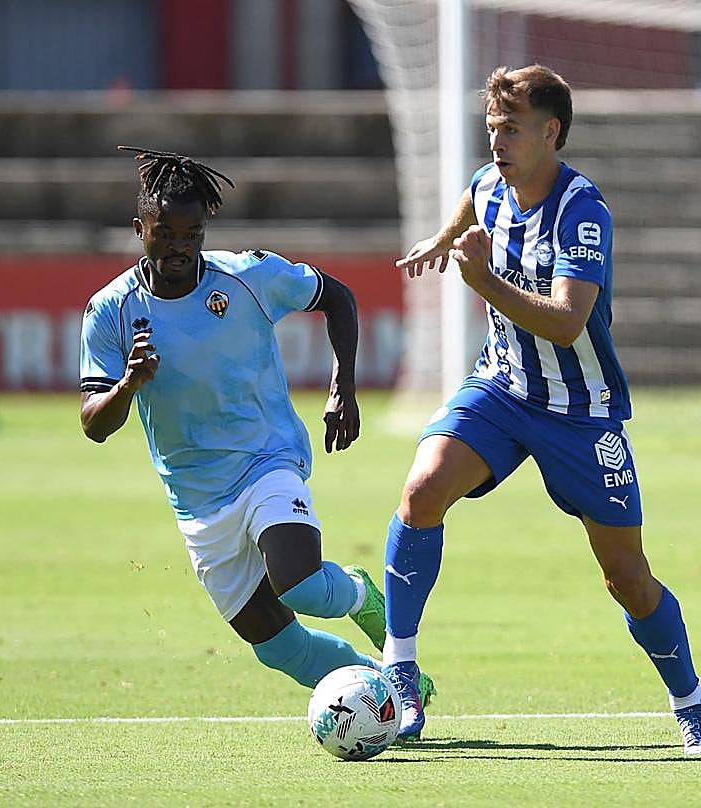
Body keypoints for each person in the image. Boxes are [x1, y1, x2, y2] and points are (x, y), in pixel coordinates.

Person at [383, 66, 701, 753]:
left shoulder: (582, 211)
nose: (496, 143)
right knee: (422, 490)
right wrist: (445, 238)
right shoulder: (490, 186)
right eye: (491, 130)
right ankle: (399, 674)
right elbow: (469, 202)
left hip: (581, 411)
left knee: (626, 578)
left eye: (510, 130)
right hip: (502, 388)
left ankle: (692, 703)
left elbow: (569, 323)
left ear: (552, 132)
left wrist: (481, 279)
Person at [79, 146, 434, 704]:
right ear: (139, 227)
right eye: (164, 233)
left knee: (303, 586)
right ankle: (382, 690)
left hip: (267, 461)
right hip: (197, 500)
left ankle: (364, 600)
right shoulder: (110, 311)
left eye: (191, 234)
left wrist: (344, 385)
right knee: (277, 647)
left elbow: (336, 297)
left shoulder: (247, 276)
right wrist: (128, 386)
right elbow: (94, 424)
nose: (179, 247)